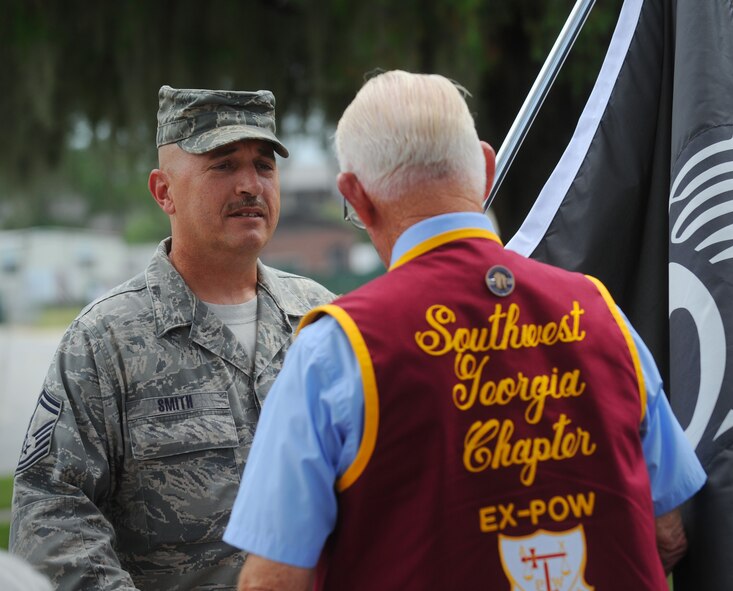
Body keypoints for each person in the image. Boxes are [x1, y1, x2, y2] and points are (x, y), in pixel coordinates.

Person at [224, 70, 707, 590]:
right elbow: (667, 532)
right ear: (485, 168)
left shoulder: (335, 349)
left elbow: (274, 581)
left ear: (357, 198)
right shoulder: (601, 311)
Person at [10, 86, 334, 590]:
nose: (251, 185)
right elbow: (52, 519)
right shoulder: (106, 341)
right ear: (164, 192)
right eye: (223, 165)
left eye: (264, 166)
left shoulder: (322, 320)